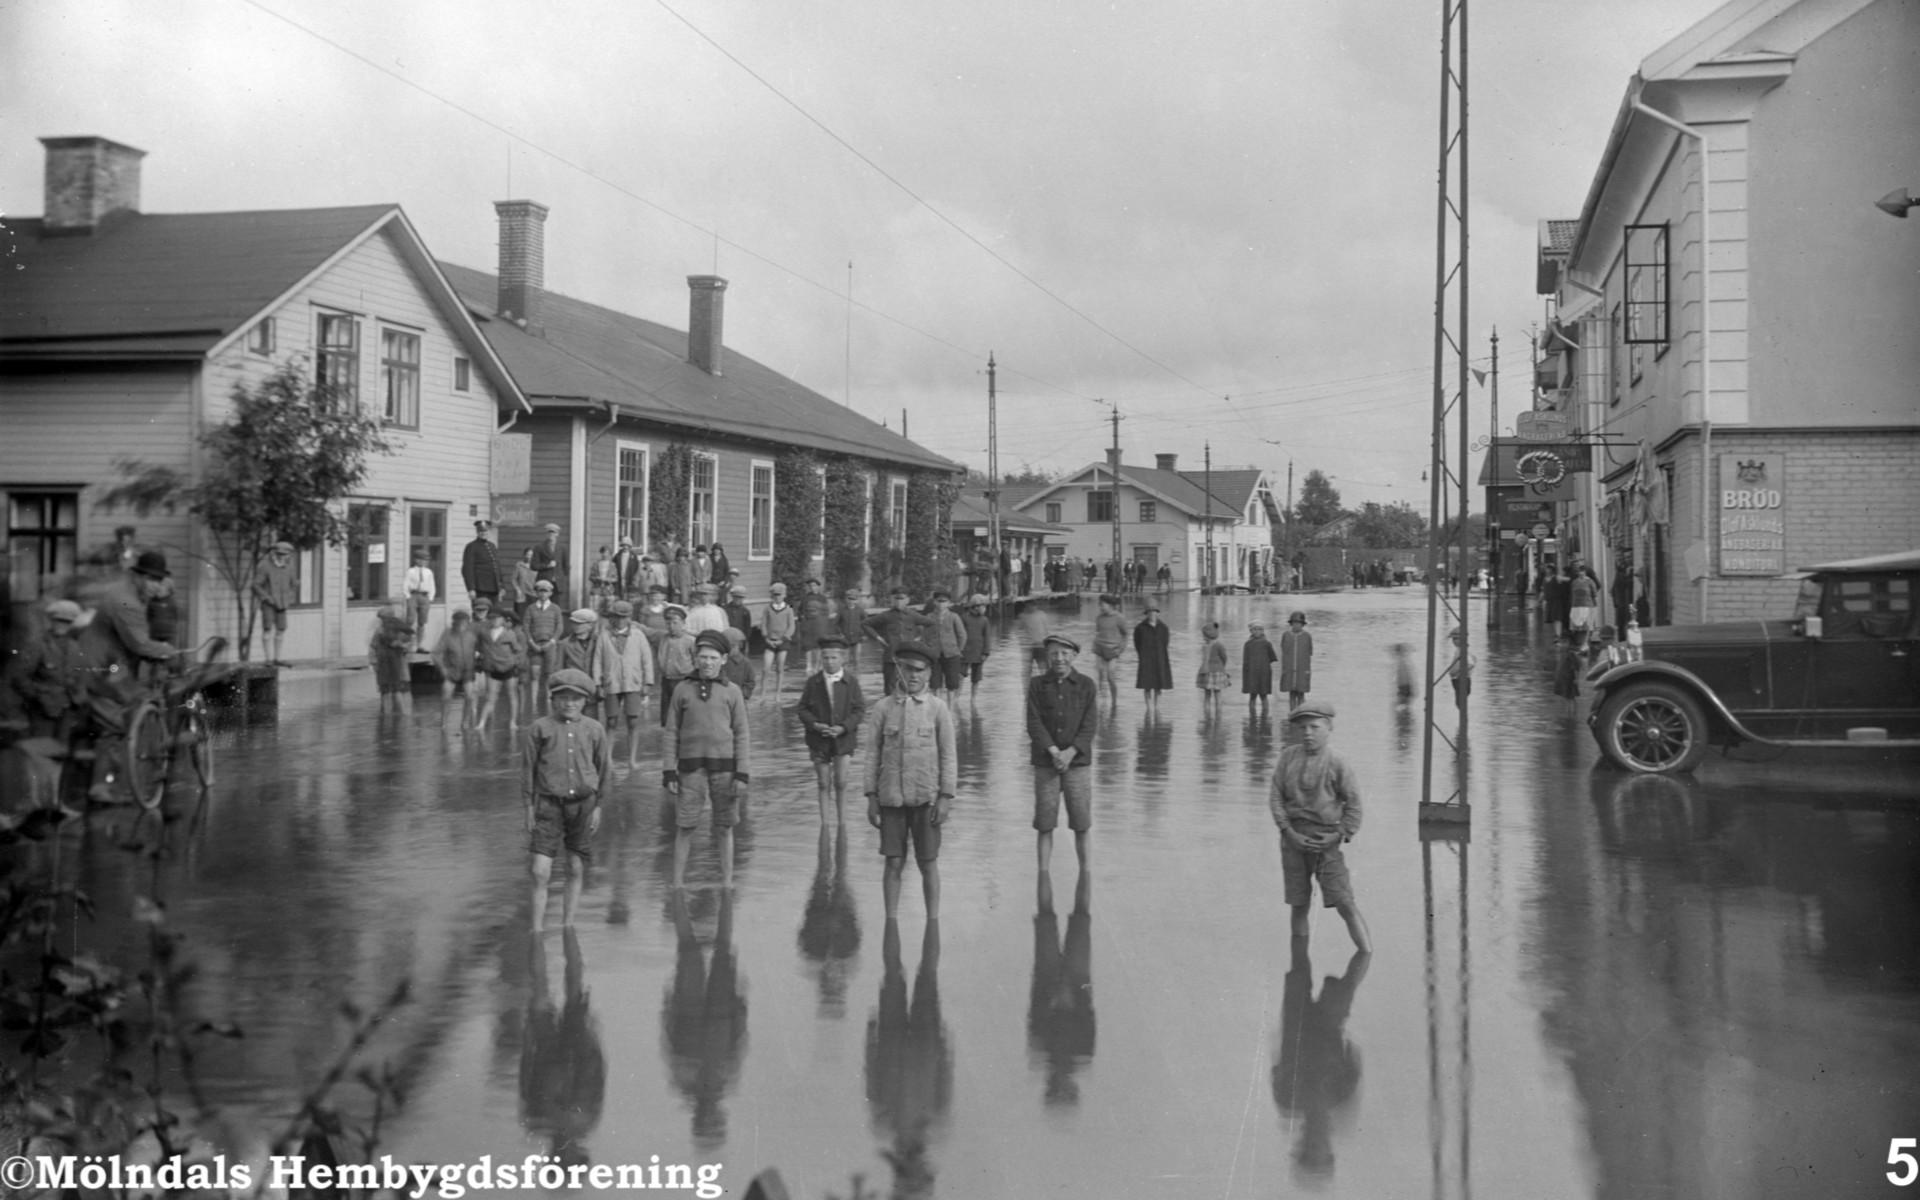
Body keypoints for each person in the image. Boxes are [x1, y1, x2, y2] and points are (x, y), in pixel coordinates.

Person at [1269, 703, 1371, 952]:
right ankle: (1299, 966)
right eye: (1302, 728)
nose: (1307, 733)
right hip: (1293, 840)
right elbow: (1275, 797)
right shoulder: (1287, 757)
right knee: (1299, 904)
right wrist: (1288, 832)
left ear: (1329, 728)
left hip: (1326, 840)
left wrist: (1339, 835)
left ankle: (1366, 955)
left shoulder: (1337, 762)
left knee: (1345, 902)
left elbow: (1354, 805)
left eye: (1315, 727)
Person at [864, 646, 955, 921]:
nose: (912, 675)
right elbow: (871, 754)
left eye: (919, 670)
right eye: (906, 668)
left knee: (928, 862)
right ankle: (890, 921)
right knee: (893, 862)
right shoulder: (883, 708)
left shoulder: (938, 709)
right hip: (890, 797)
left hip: (926, 798)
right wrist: (871, 796)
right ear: (897, 669)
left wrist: (946, 797)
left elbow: (949, 755)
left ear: (929, 673)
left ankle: (933, 922)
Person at [524, 667, 609, 932]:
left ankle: (568, 924)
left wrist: (599, 807)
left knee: (575, 866)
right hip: (548, 805)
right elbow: (528, 769)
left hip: (583, 806)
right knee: (540, 870)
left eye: (576, 698)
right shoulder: (539, 729)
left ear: (585, 701)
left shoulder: (595, 729)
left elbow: (604, 768)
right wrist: (528, 806)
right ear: (552, 699)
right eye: (563, 697)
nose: (569, 703)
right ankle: (536, 929)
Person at [664, 630, 751, 889]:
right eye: (703, 657)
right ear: (695, 658)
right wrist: (669, 770)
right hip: (690, 769)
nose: (707, 663)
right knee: (685, 825)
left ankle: (726, 883)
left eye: (713, 658)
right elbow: (671, 732)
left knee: (725, 826)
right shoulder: (682, 689)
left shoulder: (732, 691)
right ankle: (677, 884)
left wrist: (742, 773)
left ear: (723, 659)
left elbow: (742, 733)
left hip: (725, 769)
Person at [1027, 634, 1096, 871]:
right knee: (1044, 824)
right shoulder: (1036, 685)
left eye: (1065, 654)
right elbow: (1034, 723)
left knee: (1081, 823)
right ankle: (1042, 875)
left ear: (1074, 656)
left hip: (1078, 764)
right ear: (1047, 656)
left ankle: (1085, 874)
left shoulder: (1087, 685)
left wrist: (1070, 753)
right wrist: (1054, 751)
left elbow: (1089, 726)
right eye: (1054, 653)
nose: (1059, 659)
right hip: (1046, 764)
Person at [77, 549, 178, 686]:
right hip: (100, 671)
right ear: (137, 576)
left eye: (159, 580)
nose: (156, 586)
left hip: (108, 666)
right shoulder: (126, 602)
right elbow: (140, 644)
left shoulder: (132, 593)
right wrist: (169, 651)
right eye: (151, 579)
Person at [798, 634, 865, 825]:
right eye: (825, 657)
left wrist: (843, 728)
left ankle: (842, 822)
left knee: (842, 782)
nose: (829, 662)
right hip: (818, 740)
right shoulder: (813, 682)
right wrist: (815, 725)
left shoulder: (851, 682)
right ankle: (825, 824)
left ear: (843, 658)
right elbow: (802, 709)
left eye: (834, 657)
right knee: (823, 782)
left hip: (844, 740)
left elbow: (859, 710)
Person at [8, 598, 87, 742]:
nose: (62, 625)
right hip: (43, 710)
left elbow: (80, 677)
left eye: (67, 622)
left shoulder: (75, 647)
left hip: (67, 710)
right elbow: (20, 677)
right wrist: (39, 698)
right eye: (59, 620)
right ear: (51, 620)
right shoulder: (38, 645)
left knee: (61, 752)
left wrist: (79, 699)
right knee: (41, 752)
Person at [599, 599, 655, 769]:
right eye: (617, 617)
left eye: (624, 617)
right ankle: (608, 758)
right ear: (611, 618)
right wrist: (597, 684)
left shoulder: (638, 635)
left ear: (629, 618)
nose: (621, 621)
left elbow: (647, 660)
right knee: (611, 721)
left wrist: (648, 683)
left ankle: (632, 759)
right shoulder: (604, 635)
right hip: (611, 683)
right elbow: (597, 660)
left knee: (633, 721)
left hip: (633, 682)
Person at [862, 588, 935, 695]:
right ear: (892, 600)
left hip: (908, 658)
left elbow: (931, 624)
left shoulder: (913, 615)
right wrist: (879, 638)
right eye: (896, 598)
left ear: (907, 600)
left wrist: (919, 639)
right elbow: (865, 624)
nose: (899, 601)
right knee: (889, 688)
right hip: (890, 657)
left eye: (902, 598)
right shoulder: (885, 616)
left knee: (908, 686)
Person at [474, 602, 526, 731]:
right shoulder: (484, 633)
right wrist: (479, 657)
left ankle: (513, 722)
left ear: (503, 619)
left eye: (497, 618)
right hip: (492, 668)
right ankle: (481, 723)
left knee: (512, 695)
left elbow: (517, 649)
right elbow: (478, 646)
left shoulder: (509, 634)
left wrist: (516, 663)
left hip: (508, 667)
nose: (494, 620)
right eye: (491, 618)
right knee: (490, 697)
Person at [252, 540, 298, 667]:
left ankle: (277, 658)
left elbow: (294, 584)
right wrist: (266, 597)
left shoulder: (289, 567)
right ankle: (268, 659)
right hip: (269, 603)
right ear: (274, 553)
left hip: (282, 603)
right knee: (267, 629)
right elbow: (256, 584)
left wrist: (290, 597)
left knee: (281, 629)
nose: (282, 557)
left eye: (285, 554)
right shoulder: (265, 566)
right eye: (279, 554)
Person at [523, 579, 566, 715]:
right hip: (534, 644)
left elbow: (559, 627)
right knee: (535, 672)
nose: (543, 594)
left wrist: (552, 641)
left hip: (550, 644)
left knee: (549, 673)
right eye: (540, 591)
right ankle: (534, 701)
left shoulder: (555, 609)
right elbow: (526, 626)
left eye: (546, 591)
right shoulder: (530, 608)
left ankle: (548, 699)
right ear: (536, 592)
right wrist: (531, 642)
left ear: (550, 593)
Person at [557, 609, 609, 719]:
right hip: (573, 689)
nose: (575, 626)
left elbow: (605, 664)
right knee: (571, 720)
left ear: (590, 625)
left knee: (591, 721)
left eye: (579, 623)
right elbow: (559, 669)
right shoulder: (564, 644)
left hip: (592, 689)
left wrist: (602, 685)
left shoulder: (599, 641)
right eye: (573, 623)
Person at [434, 608, 481, 728]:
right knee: (446, 696)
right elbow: (436, 654)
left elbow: (481, 648)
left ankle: (465, 723)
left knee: (470, 697)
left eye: (465, 622)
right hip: (452, 670)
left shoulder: (472, 635)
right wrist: (443, 669)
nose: (462, 625)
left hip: (468, 670)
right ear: (454, 622)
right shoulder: (447, 634)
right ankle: (444, 723)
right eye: (460, 622)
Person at [369, 603, 415, 713]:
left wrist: (403, 647)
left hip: (397, 663)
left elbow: (408, 644)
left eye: (382, 618)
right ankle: (395, 716)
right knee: (390, 691)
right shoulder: (381, 630)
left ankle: (400, 716)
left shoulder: (394, 630)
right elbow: (373, 646)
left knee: (398, 690)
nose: (382, 621)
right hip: (386, 663)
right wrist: (374, 662)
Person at [654, 605, 696, 727]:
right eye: (668, 623)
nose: (671, 627)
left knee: (685, 713)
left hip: (684, 680)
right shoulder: (663, 638)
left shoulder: (690, 641)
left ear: (683, 623)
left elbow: (696, 662)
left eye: (675, 623)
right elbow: (648, 632)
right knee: (667, 716)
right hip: (667, 680)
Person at [924, 591, 968, 703]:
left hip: (952, 654)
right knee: (935, 684)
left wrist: (958, 650)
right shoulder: (928, 617)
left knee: (952, 685)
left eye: (944, 601)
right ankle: (938, 710)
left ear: (949, 603)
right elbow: (924, 635)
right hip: (934, 655)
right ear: (934, 602)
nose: (941, 604)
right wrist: (927, 649)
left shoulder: (954, 617)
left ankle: (950, 711)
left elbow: (962, 635)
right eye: (939, 601)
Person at [1090, 593, 1126, 707]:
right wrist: (1094, 644)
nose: (1100, 607)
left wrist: (1121, 649)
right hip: (1100, 649)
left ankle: (1114, 701)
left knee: (1110, 676)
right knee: (1100, 674)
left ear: (1110, 605)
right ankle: (1102, 700)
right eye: (1099, 605)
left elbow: (1125, 634)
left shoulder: (1119, 618)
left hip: (1113, 650)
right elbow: (1097, 632)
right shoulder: (1099, 618)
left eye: (1102, 605)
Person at [958, 594, 992, 702]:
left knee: (976, 678)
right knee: (960, 675)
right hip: (965, 652)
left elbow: (987, 637)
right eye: (983, 606)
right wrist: (959, 650)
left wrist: (986, 653)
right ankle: (957, 697)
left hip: (979, 653)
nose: (984, 608)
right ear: (975, 606)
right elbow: (959, 634)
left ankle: (973, 699)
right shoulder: (964, 618)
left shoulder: (984, 620)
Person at [462, 520, 502, 610]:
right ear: (477, 532)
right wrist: (471, 588)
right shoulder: (471, 547)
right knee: (480, 611)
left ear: (489, 532)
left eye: (485, 531)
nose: (483, 533)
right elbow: (467, 569)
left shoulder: (492, 546)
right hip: (480, 588)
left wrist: (501, 585)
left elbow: (497, 566)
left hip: (494, 588)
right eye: (481, 531)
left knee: (494, 613)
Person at [1278, 612, 1314, 712]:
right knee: (1292, 693)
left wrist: (1306, 669)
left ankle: (1301, 712)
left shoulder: (1307, 636)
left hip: (1302, 669)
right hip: (1289, 669)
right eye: (1294, 623)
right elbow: (1284, 649)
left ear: (1302, 624)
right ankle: (1292, 712)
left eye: (1299, 623)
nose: (1296, 625)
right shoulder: (1286, 635)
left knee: (1301, 693)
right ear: (1291, 624)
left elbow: (1310, 652)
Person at [796, 578, 832, 674]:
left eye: (814, 585)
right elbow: (800, 611)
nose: (813, 587)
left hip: (820, 625)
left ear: (818, 586)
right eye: (811, 586)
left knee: (819, 645)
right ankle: (809, 665)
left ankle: (819, 665)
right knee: (808, 645)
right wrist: (801, 619)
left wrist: (824, 623)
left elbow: (826, 612)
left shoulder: (823, 598)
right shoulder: (805, 598)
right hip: (808, 625)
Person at [1243, 620, 1278, 715]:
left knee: (1264, 695)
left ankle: (1265, 715)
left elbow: (1272, 658)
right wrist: (1246, 676)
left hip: (1264, 674)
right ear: (1251, 631)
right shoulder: (1247, 644)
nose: (1257, 631)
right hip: (1251, 674)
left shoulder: (1267, 643)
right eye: (1254, 629)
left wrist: (1263, 666)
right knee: (1252, 696)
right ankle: (1252, 716)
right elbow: (1245, 661)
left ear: (1263, 631)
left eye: (1259, 629)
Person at [404, 549, 436, 641]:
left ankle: (419, 645)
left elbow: (432, 585)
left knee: (422, 622)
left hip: (424, 597)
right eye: (420, 559)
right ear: (416, 560)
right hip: (413, 596)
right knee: (410, 620)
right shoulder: (410, 571)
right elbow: (405, 584)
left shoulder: (428, 572)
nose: (423, 562)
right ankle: (407, 643)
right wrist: (408, 596)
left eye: (425, 560)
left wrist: (430, 598)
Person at [719, 626, 758, 700]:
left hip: (738, 700)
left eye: (733, 646)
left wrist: (742, 694)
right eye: (727, 646)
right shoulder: (719, 661)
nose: (729, 649)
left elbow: (750, 682)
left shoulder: (745, 663)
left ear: (740, 646)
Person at [837, 588, 869, 676]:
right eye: (849, 598)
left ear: (857, 600)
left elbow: (867, 623)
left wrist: (864, 634)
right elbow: (836, 624)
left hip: (857, 639)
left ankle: (856, 677)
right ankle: (844, 676)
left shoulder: (860, 610)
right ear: (846, 599)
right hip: (845, 639)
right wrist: (840, 634)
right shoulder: (841, 610)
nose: (851, 601)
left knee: (857, 660)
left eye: (853, 599)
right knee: (845, 660)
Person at [1198, 620, 1229, 710]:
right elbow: (1224, 657)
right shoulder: (1219, 645)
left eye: (1203, 635)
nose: (1203, 637)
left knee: (1207, 696)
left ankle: (1206, 715)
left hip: (1206, 672)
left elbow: (1204, 659)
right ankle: (1218, 714)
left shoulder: (1204, 646)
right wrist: (1223, 667)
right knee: (1217, 694)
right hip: (1217, 672)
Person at [1015, 600, 1051, 675]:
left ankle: (1044, 683)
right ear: (1026, 606)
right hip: (1029, 647)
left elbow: (1047, 630)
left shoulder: (1041, 614)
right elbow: (1019, 632)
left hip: (1040, 645)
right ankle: (1030, 685)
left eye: (1032, 605)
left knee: (1043, 669)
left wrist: (1048, 644)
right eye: (1028, 605)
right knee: (1028, 670)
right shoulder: (1023, 616)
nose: (1030, 607)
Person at [533, 523, 567, 597]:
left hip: (557, 583)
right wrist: (547, 565)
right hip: (543, 582)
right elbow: (534, 565)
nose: (551, 534)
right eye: (549, 532)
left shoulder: (562, 548)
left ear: (557, 534)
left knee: (555, 606)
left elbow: (566, 566)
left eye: (553, 532)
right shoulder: (539, 547)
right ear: (546, 534)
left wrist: (561, 577)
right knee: (542, 605)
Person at [510, 547, 539, 625]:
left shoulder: (536, 567)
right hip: (521, 595)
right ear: (524, 555)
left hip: (533, 595)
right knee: (520, 618)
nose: (529, 557)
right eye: (528, 554)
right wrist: (517, 589)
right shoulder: (519, 565)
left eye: (531, 555)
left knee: (532, 617)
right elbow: (513, 579)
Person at [1447, 627, 1474, 709]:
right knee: (1459, 704)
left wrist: (1457, 672)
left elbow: (1470, 664)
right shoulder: (1459, 650)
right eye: (1453, 639)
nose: (1453, 641)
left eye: (1455, 639)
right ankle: (1463, 720)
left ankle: (1463, 720)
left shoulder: (1462, 651)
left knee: (1460, 704)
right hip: (1458, 680)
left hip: (1460, 680)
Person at [610, 536, 642, 604]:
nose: (625, 547)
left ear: (630, 546)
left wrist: (634, 580)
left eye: (627, 546)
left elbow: (636, 569)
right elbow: (613, 567)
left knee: (628, 596)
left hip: (630, 580)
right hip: (619, 579)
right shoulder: (617, 556)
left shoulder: (633, 557)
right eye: (624, 545)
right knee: (619, 595)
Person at [588, 546, 619, 614]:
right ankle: (595, 623)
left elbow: (616, 579)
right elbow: (590, 577)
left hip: (608, 590)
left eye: (607, 552)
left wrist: (608, 580)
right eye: (603, 552)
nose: (605, 554)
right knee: (595, 609)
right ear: (601, 553)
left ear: (610, 554)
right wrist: (597, 578)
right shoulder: (596, 564)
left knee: (608, 610)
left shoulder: (612, 565)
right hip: (597, 589)